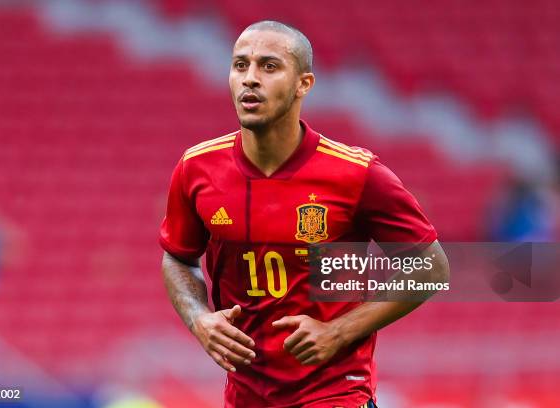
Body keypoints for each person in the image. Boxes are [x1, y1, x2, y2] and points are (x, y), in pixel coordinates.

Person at [159, 20, 450, 407]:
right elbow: (178, 257)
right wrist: (198, 319)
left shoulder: (357, 174)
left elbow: (432, 267)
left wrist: (339, 332)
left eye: (269, 66)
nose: (249, 79)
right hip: (246, 397)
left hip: (334, 393)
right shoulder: (196, 168)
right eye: (240, 65)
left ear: (304, 84)